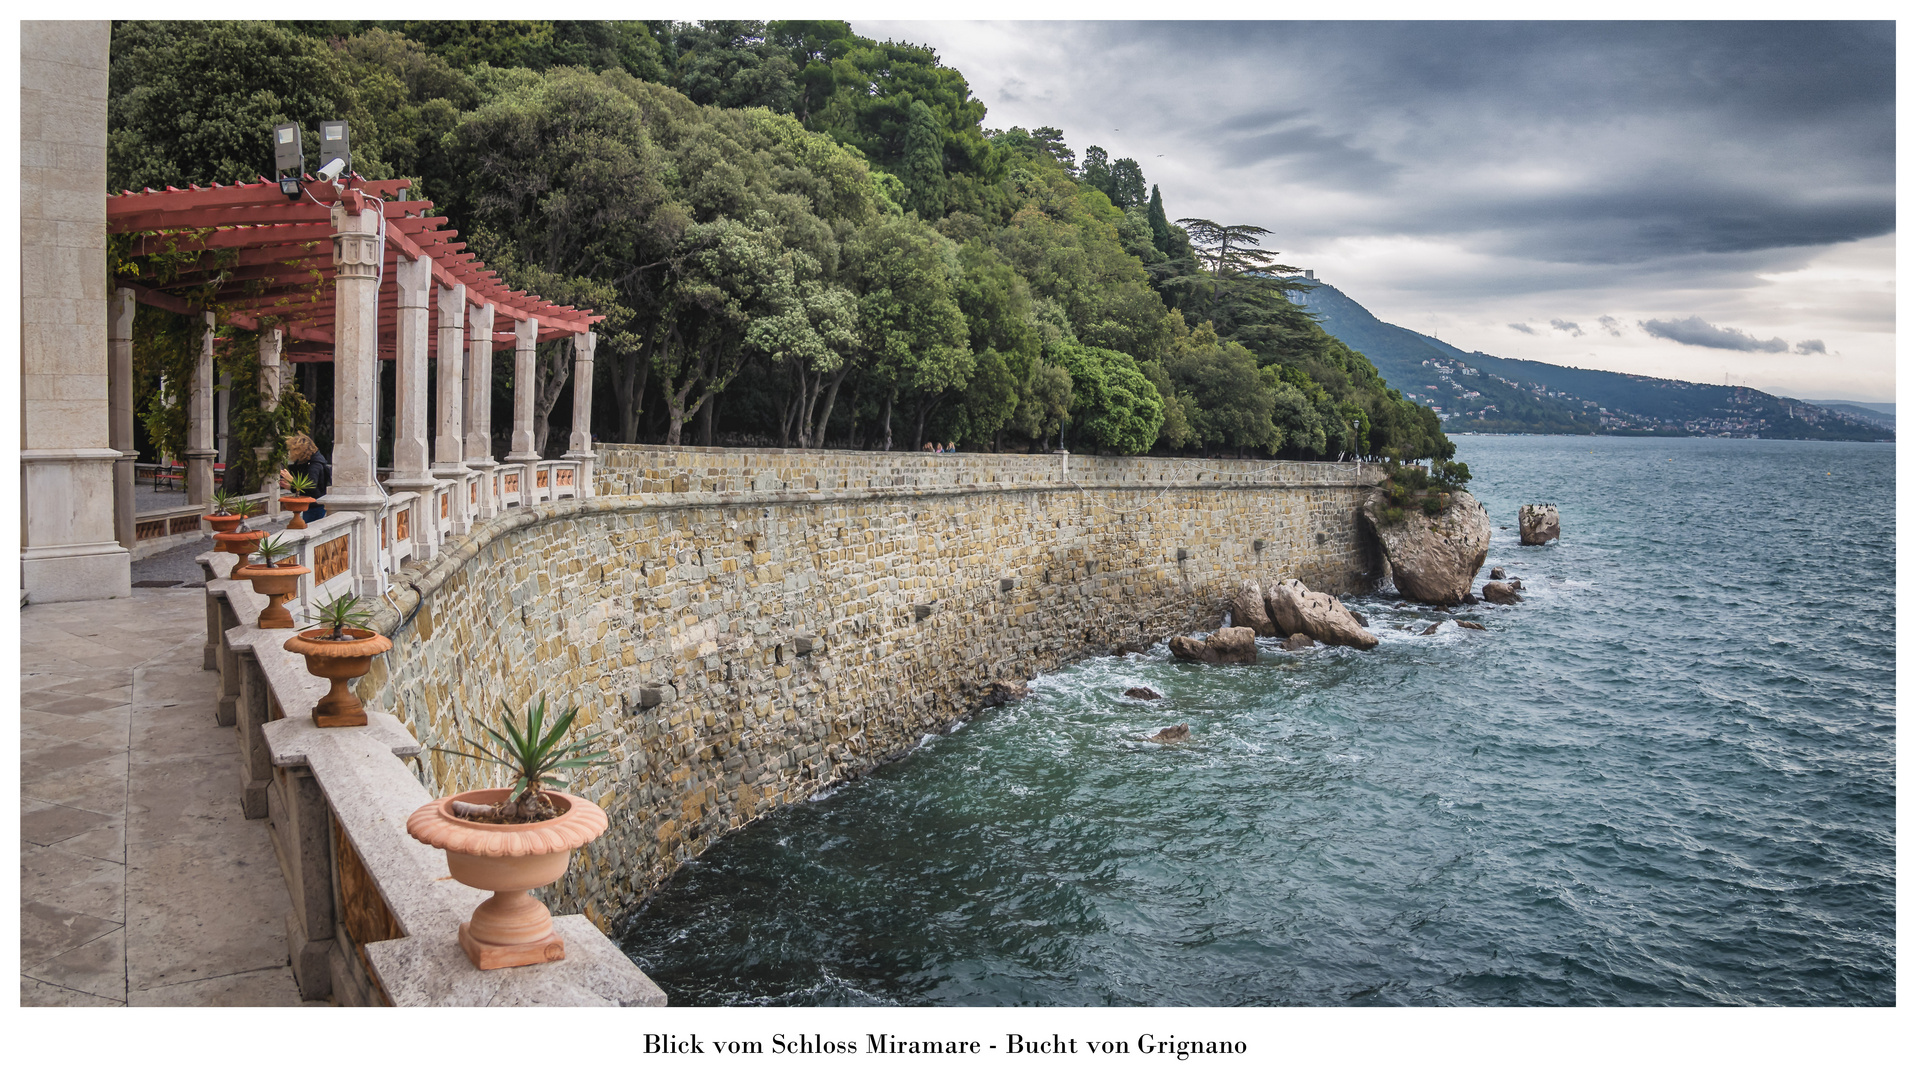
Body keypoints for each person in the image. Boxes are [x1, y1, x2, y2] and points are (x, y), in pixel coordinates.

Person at [280, 433, 331, 522]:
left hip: (315, 506)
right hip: (313, 505)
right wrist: (290, 487)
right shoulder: (310, 463)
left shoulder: (314, 465)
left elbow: (311, 487)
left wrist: (292, 480)